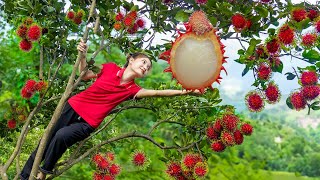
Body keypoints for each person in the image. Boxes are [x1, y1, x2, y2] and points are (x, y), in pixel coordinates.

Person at [20, 39, 201, 180]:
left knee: (61, 136)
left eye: (148, 67)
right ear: (131, 60)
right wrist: (82, 55)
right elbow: (85, 75)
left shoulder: (133, 90)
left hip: (87, 123)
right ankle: (24, 176)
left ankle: (44, 171)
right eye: (144, 62)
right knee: (46, 140)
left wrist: (184, 92)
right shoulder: (109, 68)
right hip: (72, 107)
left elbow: (158, 93)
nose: (145, 67)